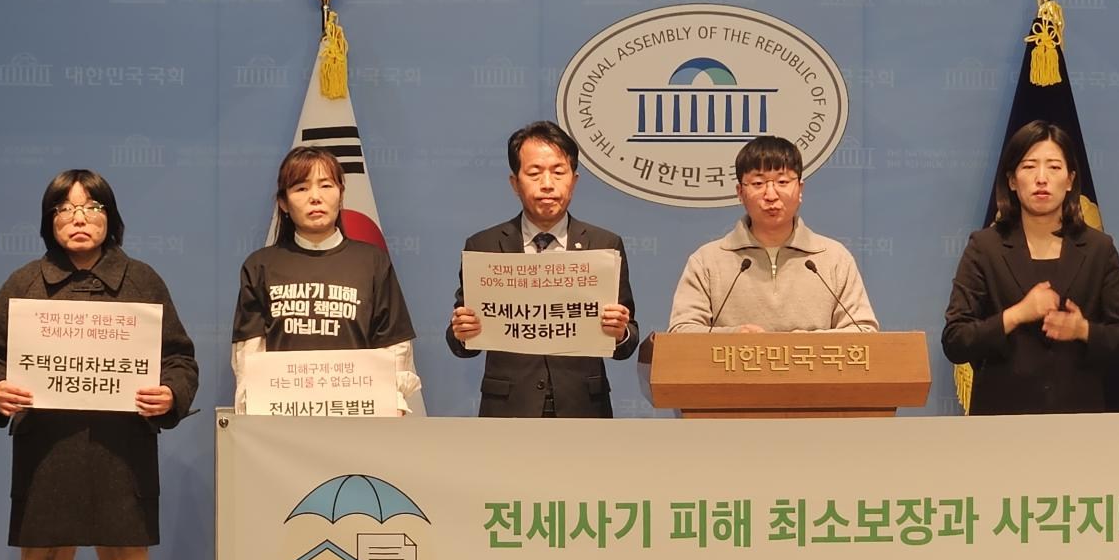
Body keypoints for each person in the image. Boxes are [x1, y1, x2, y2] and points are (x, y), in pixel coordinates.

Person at [0, 170, 198, 560]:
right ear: (49, 220)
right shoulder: (24, 283)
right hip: (46, 453)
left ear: (110, 218)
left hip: (123, 452)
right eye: (65, 209)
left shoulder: (142, 280)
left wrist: (171, 394)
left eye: (92, 207)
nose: (79, 219)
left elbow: (179, 358)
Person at [445, 121, 638, 416]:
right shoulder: (484, 245)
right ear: (515, 183)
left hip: (584, 408)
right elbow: (461, 344)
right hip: (507, 408)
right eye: (534, 173)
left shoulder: (604, 245)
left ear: (574, 180)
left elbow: (627, 341)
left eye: (558, 172)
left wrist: (620, 332)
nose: (547, 184)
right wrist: (462, 332)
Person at [942, 122, 1119, 413]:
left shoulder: (1099, 248)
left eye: (1054, 167)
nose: (1042, 179)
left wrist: (1082, 329)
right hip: (1001, 419)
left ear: (1070, 180)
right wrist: (1018, 314)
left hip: (1080, 417)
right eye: (1029, 166)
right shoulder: (985, 248)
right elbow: (955, 340)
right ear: (1012, 180)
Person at [232, 146, 419, 413]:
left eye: (326, 185)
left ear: (341, 194)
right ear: (283, 203)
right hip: (283, 417)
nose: (315, 197)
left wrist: (393, 403)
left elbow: (394, 347)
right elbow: (249, 356)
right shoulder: (260, 265)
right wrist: (253, 411)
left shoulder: (372, 261)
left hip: (357, 413)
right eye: (301, 188)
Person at [668, 135, 879, 333]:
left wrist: (806, 345)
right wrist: (734, 337)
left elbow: (864, 331)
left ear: (800, 189)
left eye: (782, 182)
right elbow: (681, 332)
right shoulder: (707, 260)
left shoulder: (833, 258)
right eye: (758, 184)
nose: (770, 195)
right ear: (740, 192)